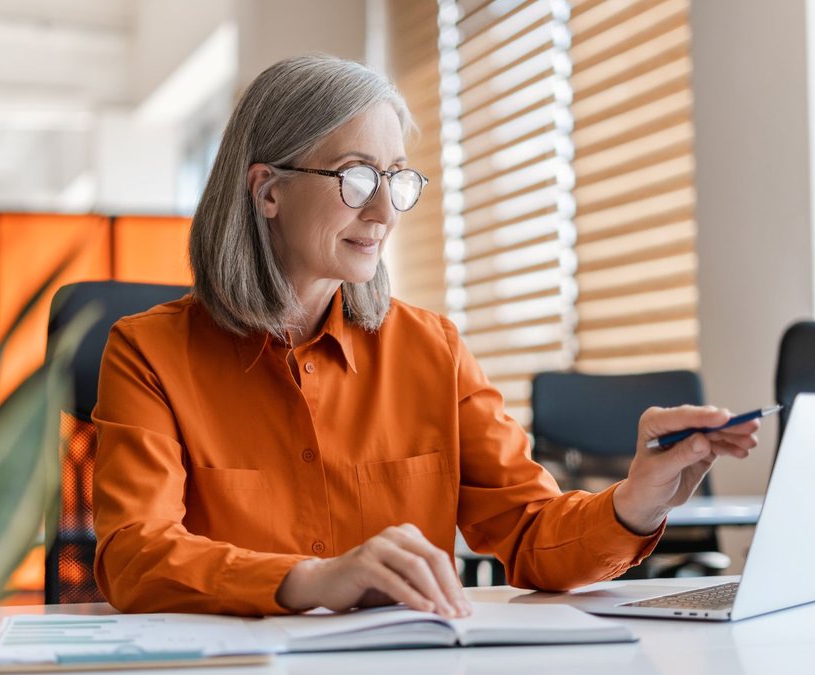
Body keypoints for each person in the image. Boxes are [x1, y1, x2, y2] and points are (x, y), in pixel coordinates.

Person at [92, 55, 758, 618]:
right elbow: (132, 553)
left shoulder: (431, 350)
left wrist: (636, 500)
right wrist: (309, 578)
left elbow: (530, 533)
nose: (383, 212)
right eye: (356, 177)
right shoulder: (148, 353)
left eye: (395, 179)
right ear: (268, 190)